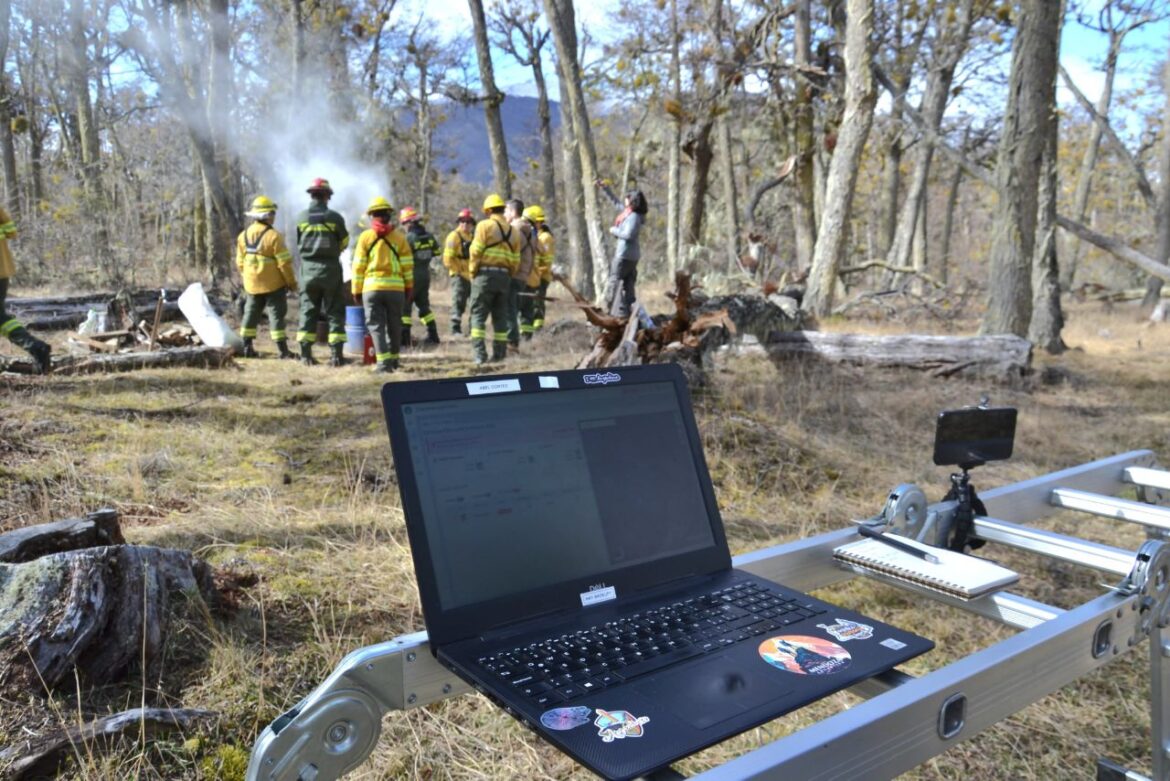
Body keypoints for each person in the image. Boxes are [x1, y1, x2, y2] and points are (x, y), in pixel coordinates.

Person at [352, 197, 413, 373]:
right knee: (395, 325)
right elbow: (408, 266)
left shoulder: (365, 237)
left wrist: (356, 290)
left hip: (372, 289)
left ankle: (383, 364)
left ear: (372, 216)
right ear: (389, 215)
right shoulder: (400, 238)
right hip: (396, 289)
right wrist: (409, 287)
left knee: (376, 325)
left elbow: (358, 267)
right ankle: (394, 360)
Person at [294, 178, 349, 366]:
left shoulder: (300, 218)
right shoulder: (335, 218)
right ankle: (336, 356)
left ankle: (305, 355)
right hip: (330, 270)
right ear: (327, 196)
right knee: (334, 311)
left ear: (311, 195)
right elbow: (344, 242)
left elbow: (299, 243)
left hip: (307, 270)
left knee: (308, 310)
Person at [237, 195, 297, 358]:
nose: (274, 217)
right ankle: (283, 351)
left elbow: (240, 262)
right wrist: (291, 283)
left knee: (250, 313)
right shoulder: (274, 236)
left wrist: (248, 277)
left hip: (251, 285)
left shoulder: (243, 236)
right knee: (276, 315)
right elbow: (284, 264)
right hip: (273, 285)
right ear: (268, 215)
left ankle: (246, 347)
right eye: (273, 213)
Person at [468, 193, 519, 365]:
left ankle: (480, 355)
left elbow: (475, 251)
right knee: (500, 317)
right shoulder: (513, 231)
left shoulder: (484, 226)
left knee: (478, 315)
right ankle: (499, 355)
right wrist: (509, 275)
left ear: (488, 211)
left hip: (484, 276)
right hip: (504, 278)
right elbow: (516, 260)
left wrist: (472, 272)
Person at [0, 207, 51, 373]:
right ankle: (36, 347)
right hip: (3, 271)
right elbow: (12, 232)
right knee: (1, 318)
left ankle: (36, 347)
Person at [595, 180, 647, 317]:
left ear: (632, 201)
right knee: (628, 284)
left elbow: (628, 235)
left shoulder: (633, 217)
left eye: (627, 197)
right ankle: (629, 311)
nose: (625, 199)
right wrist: (605, 189)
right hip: (631, 256)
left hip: (624, 255)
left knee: (614, 280)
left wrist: (614, 230)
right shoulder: (629, 213)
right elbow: (616, 203)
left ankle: (607, 309)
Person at [398, 207, 441, 347]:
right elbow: (436, 252)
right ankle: (433, 335)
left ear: (409, 223)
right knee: (424, 307)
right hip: (425, 275)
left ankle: (404, 338)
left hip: (411, 276)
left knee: (405, 307)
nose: (404, 227)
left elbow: (401, 257)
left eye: (404, 224)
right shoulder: (429, 236)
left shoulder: (409, 238)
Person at [504, 198, 535, 348]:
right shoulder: (529, 231)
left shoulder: (515, 231)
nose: (504, 214)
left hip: (514, 275)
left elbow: (510, 252)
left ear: (513, 212)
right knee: (514, 308)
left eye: (506, 211)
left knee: (510, 309)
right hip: (523, 275)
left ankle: (511, 342)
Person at [442, 208, 475, 335]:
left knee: (474, 304)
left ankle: (473, 329)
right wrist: (458, 271)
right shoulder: (453, 236)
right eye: (462, 221)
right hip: (459, 275)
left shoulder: (472, 237)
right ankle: (455, 329)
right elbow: (447, 259)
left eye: (468, 221)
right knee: (458, 302)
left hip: (472, 275)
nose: (465, 224)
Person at [517, 205, 546, 340]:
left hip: (523, 277)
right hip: (532, 278)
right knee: (527, 310)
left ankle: (520, 337)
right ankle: (526, 337)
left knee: (519, 308)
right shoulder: (535, 236)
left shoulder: (519, 233)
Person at [526, 206, 554, 334]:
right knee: (532, 302)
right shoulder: (536, 235)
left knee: (538, 302)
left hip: (542, 276)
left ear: (538, 222)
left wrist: (538, 271)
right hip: (535, 275)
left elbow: (547, 261)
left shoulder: (545, 237)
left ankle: (538, 328)